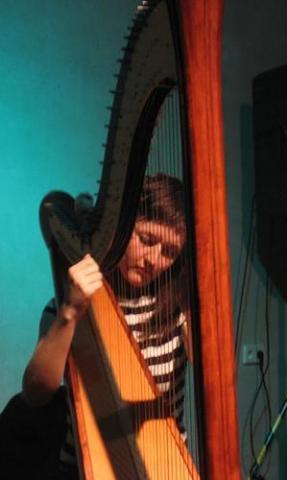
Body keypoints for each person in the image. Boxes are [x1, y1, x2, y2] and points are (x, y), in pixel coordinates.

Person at [21, 173, 192, 478]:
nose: (153, 259)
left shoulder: (179, 310)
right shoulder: (66, 303)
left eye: (168, 252)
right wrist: (70, 314)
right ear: (122, 229)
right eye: (147, 240)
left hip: (164, 465)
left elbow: (215, 374)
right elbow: (36, 394)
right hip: (81, 467)